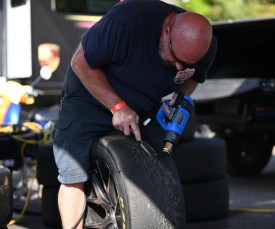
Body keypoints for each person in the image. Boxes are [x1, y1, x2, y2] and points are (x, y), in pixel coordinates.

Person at [53, 0, 217, 228]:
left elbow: (193, 79)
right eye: (176, 59)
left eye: (187, 63)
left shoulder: (205, 46)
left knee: (157, 163)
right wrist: (118, 107)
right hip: (89, 96)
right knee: (74, 176)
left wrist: (178, 99)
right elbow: (80, 63)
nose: (180, 68)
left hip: (143, 105)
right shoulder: (127, 21)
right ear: (166, 32)